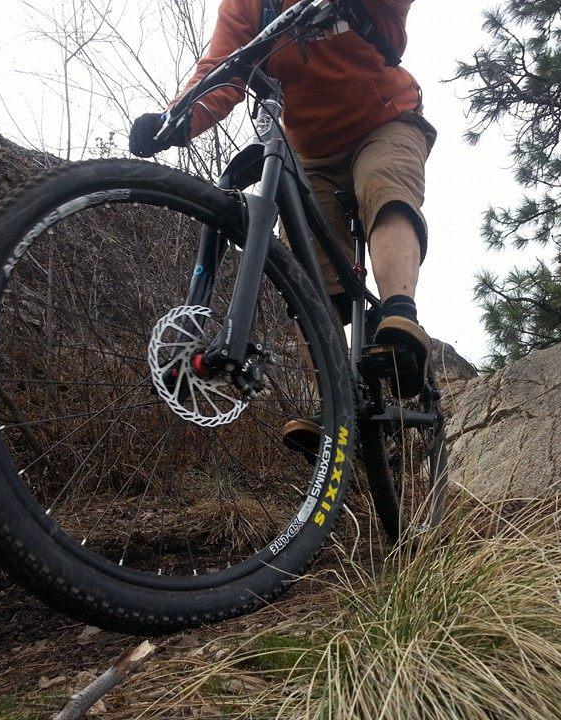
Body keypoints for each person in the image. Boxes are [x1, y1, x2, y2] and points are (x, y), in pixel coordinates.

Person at [129, 0, 435, 449]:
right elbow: (223, 69)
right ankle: (336, 396)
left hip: (385, 121)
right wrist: (176, 120)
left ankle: (399, 317)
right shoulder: (249, 4)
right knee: (306, 271)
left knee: (383, 187)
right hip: (310, 150)